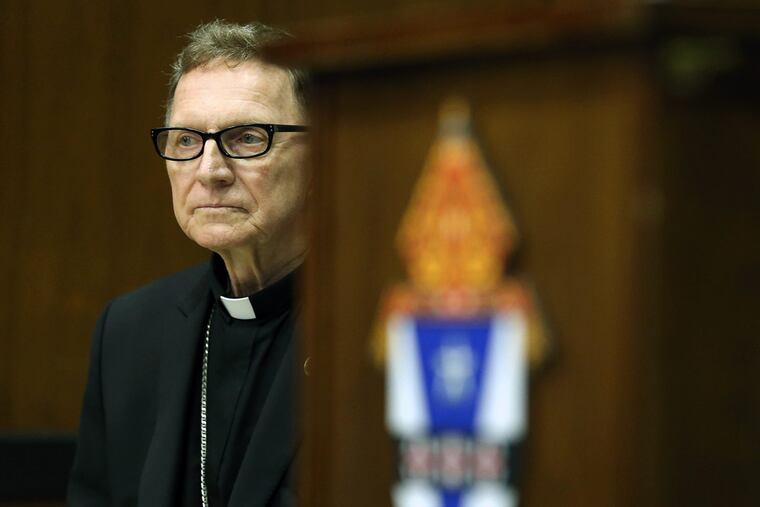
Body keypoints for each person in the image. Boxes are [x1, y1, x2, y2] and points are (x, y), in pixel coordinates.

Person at [68, 19, 309, 507]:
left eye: (246, 137)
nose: (210, 170)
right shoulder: (129, 331)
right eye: (186, 140)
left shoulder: (374, 336)